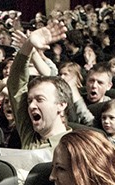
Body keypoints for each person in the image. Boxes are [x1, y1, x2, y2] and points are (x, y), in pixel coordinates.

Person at [7, 21, 72, 150]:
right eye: (30, 100)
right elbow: (16, 84)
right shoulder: (29, 135)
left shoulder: (77, 146)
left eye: (40, 99)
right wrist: (29, 45)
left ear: (61, 104)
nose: (31, 106)